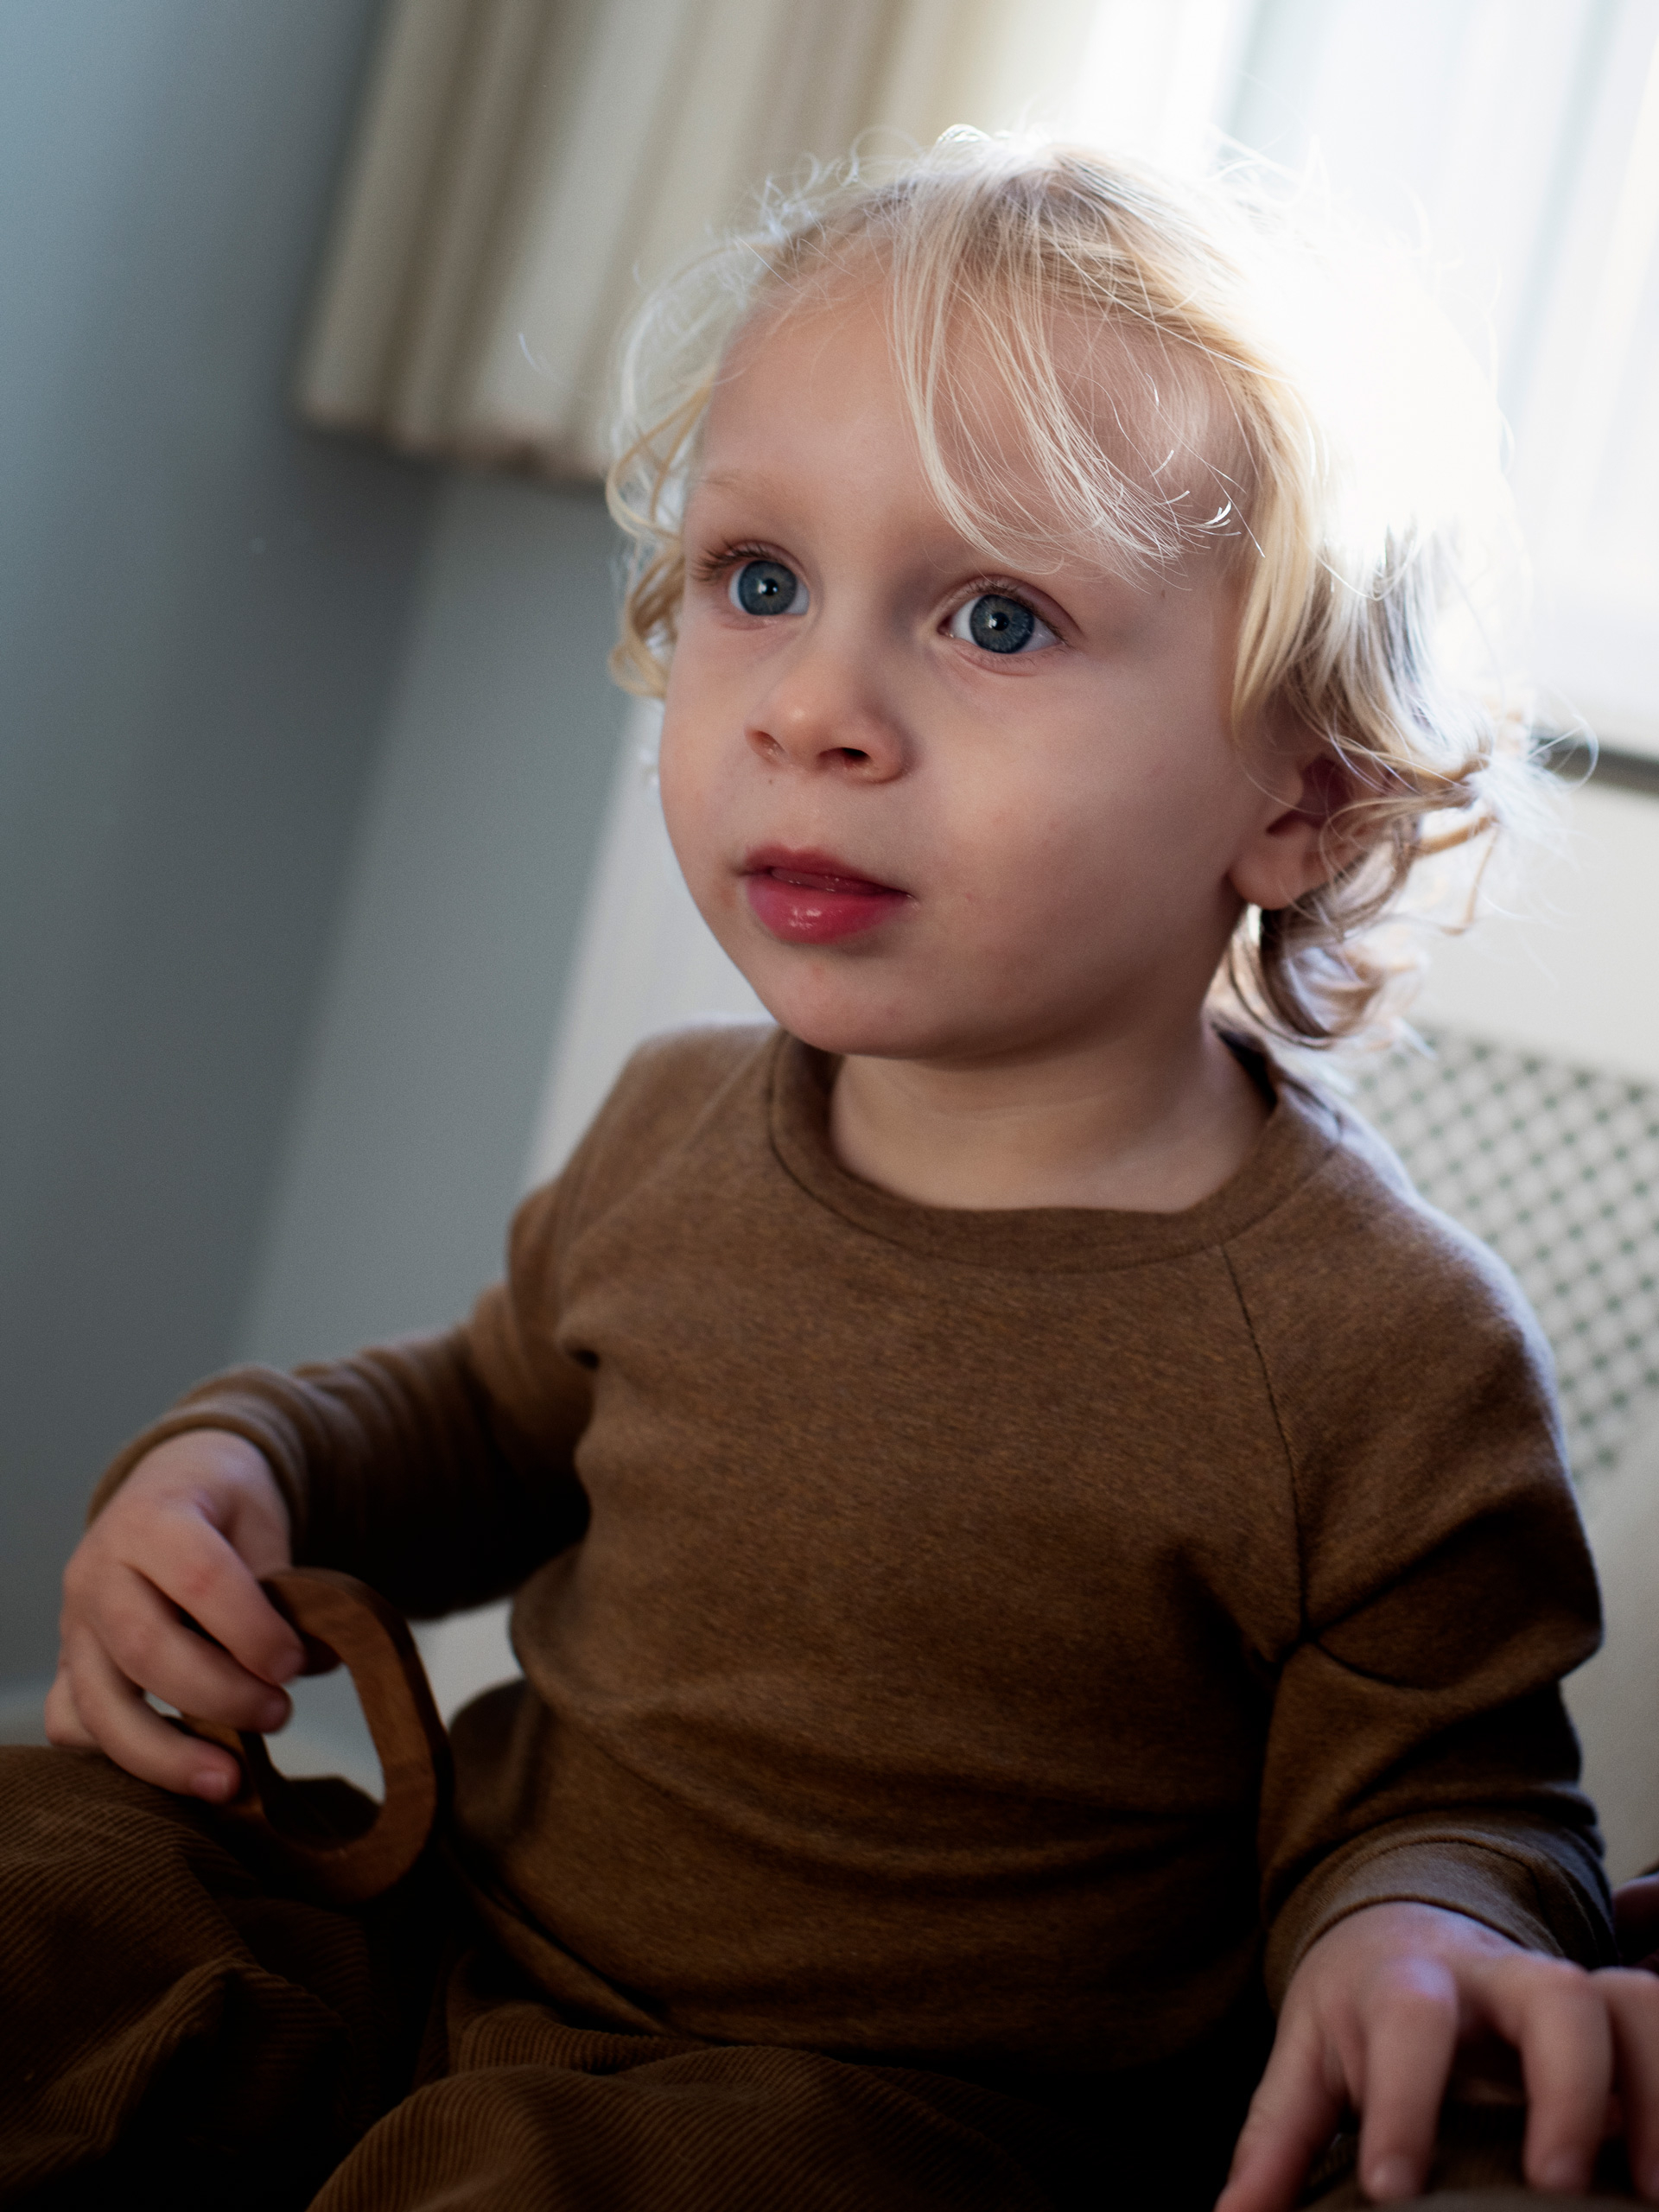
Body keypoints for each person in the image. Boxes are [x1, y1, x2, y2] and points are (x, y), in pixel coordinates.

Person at [5, 137, 1657, 2212]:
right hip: (459, 1942)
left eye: (996, 616)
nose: (811, 709)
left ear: (1303, 792)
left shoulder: (1378, 1348)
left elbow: (1455, 1793)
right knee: (44, 1873)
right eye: (759, 580)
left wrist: (1418, 1927)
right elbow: (478, 1419)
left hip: (876, 2120)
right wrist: (241, 1468)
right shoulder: (679, 1124)